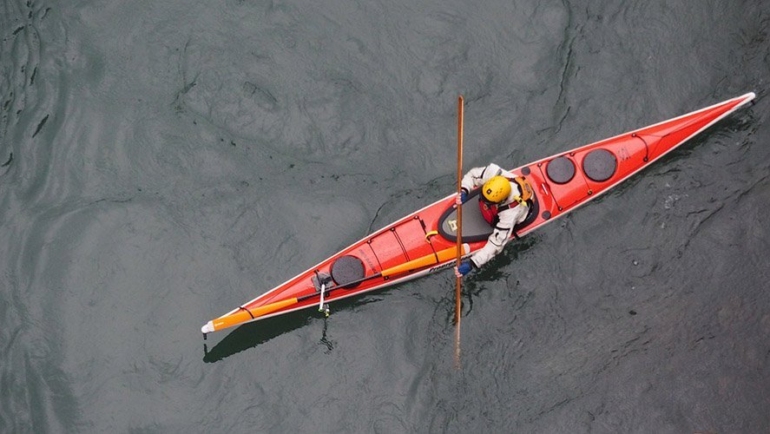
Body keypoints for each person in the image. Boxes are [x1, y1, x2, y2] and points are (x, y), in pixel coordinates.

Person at [454, 163, 533, 277]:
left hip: (519, 215)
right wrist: (465, 190)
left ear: (500, 201)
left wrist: (473, 263)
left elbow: (496, 244)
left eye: (487, 203)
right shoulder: (494, 172)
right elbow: (472, 175)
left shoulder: (510, 213)